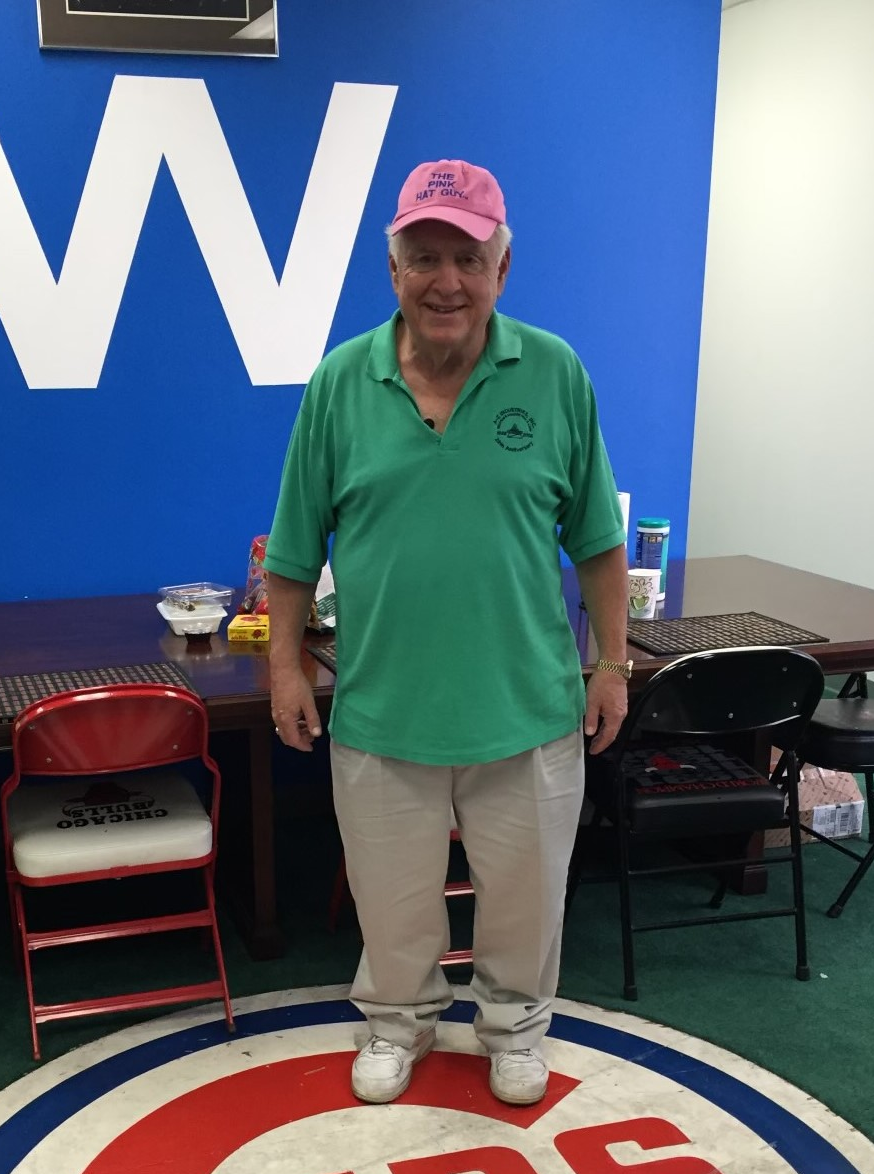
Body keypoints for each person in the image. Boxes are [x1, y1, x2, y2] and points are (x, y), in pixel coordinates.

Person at [263, 158, 630, 1106]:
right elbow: (295, 549)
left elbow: (596, 541)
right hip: (385, 710)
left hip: (530, 709)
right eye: (424, 256)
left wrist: (612, 663)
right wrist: (286, 668)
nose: (447, 281)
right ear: (394, 272)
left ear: (503, 270)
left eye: (468, 258)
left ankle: (513, 1027)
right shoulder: (342, 382)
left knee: (524, 902)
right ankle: (397, 1024)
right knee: (393, 907)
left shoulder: (556, 374)